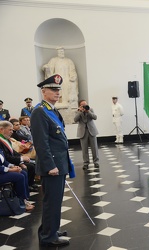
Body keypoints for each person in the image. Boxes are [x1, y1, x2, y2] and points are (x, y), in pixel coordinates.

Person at [30, 74, 72, 247]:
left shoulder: (51, 110)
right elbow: (41, 143)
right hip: (52, 165)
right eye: (53, 90)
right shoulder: (39, 112)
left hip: (59, 163)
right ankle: (48, 237)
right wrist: (50, 166)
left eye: (58, 90)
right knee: (51, 202)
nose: (57, 92)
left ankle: (50, 229)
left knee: (55, 201)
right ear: (43, 91)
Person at [0, 121, 37, 192]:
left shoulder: (6, 139)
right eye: (10, 130)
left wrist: (22, 157)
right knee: (23, 172)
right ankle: (22, 196)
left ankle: (25, 193)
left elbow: (13, 152)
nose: (12, 132)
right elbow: (6, 157)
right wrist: (19, 161)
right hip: (7, 165)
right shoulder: (1, 141)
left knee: (29, 166)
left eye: (12, 130)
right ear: (1, 130)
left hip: (8, 163)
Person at [74, 100, 99, 170]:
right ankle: (86, 163)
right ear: (80, 106)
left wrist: (88, 111)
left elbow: (95, 117)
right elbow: (75, 120)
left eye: (85, 104)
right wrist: (80, 112)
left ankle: (96, 162)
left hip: (91, 130)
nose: (84, 106)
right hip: (82, 132)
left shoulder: (90, 109)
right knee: (84, 149)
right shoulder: (77, 111)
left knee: (94, 148)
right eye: (83, 105)